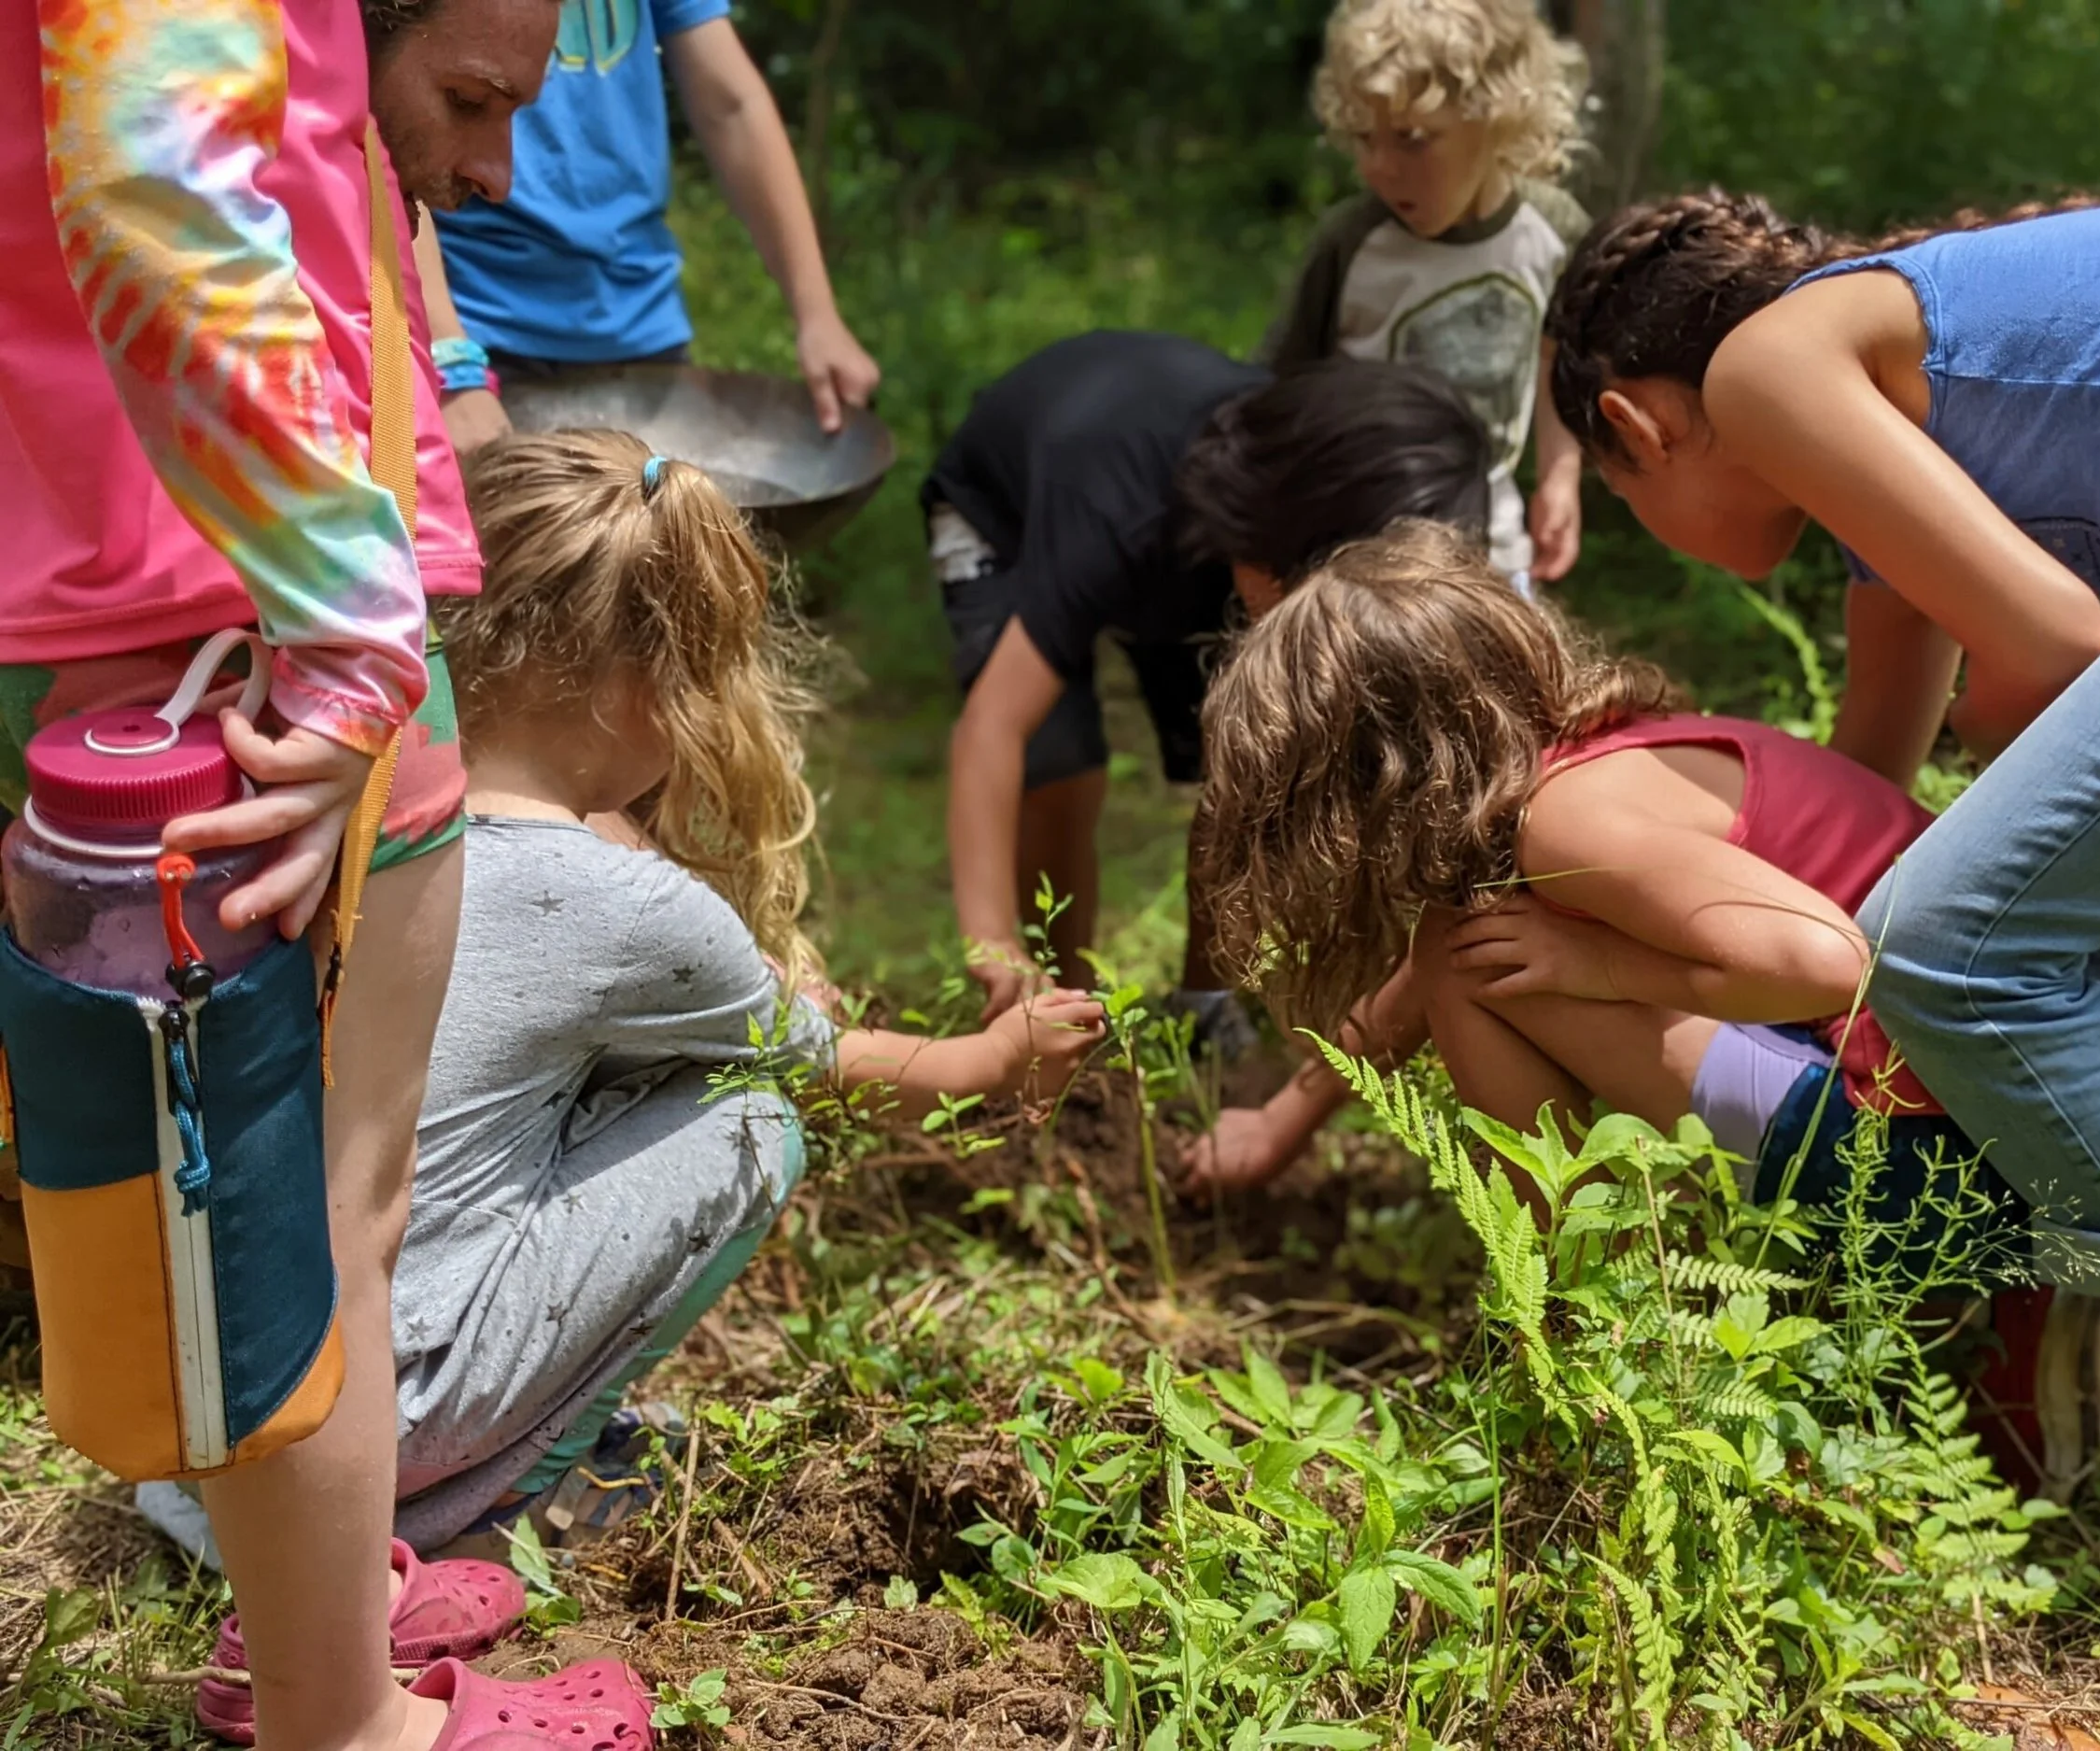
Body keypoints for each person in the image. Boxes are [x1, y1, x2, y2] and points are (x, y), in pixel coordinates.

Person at [3, 2, 677, 1748]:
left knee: (322, 1206)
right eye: (468, 98)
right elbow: (153, 172)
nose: (488, 166)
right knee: (311, 1219)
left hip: (251, 588)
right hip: (247, 621)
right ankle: (346, 1718)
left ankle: (329, 1602)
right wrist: (349, 626)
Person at [1538, 186, 2100, 1555]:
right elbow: (1871, 812)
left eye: (1619, 500)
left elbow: (2055, 639)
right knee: (2027, 909)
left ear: (1631, 426)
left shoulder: (1769, 366)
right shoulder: (1876, 445)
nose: (1636, 517)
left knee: (1958, 944)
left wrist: (1623, 981)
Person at [1186, 520, 2100, 1514]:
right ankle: (1650, 1319)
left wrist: (1597, 965)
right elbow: (1413, 982)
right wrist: (1281, 1119)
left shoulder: (1565, 823)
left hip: (1940, 1173)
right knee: (1466, 952)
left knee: (1472, 966)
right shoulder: (1601, 764)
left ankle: (1588, 1350)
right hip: (2004, 1137)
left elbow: (1822, 961)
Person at [388, 431, 1103, 1551]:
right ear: (649, 689)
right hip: (401, 1406)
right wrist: (995, 1058)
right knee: (748, 1124)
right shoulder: (626, 909)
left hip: (264, 1388)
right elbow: (819, 1070)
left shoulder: (371, 810)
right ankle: (490, 1507)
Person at [925, 332, 1492, 1039]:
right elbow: (993, 726)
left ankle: (1203, 1004)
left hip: (1202, 548)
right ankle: (1061, 1002)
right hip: (1001, 514)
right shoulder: (1118, 513)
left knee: (1237, 764)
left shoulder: (1283, 512)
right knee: (1059, 764)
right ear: (1290, 544)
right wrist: (991, 940)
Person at [420, 0, 880, 453]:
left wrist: (817, 314)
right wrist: (451, 360)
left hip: (641, 327)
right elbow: (383, 131)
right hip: (477, 329)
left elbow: (732, 105)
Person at [1262, 0, 1593, 588]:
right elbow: (1279, 392)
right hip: (1357, 560)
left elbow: (1556, 357)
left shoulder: (1552, 232)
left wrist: (1559, 477)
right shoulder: (1352, 244)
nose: (1379, 167)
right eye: (1365, 137)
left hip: (1493, 552)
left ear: (1498, 115)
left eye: (1413, 139)